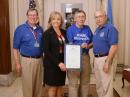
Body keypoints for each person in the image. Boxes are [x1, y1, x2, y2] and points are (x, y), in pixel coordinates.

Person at [13, 8, 44, 97]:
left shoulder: (40, 29)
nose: (33, 17)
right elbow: (15, 48)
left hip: (39, 60)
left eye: (34, 15)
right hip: (27, 61)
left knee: (38, 86)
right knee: (28, 86)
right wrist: (17, 63)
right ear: (27, 16)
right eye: (30, 15)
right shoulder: (20, 29)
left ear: (37, 16)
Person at [67, 10, 93, 97]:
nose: (81, 18)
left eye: (83, 16)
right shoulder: (70, 29)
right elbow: (70, 44)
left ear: (85, 18)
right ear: (75, 19)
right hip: (74, 58)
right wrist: (80, 45)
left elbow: (93, 42)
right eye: (79, 17)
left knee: (85, 82)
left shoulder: (87, 28)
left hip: (85, 57)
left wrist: (88, 46)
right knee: (73, 83)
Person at [93, 10, 118, 97]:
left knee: (106, 85)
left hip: (105, 59)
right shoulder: (97, 29)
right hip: (96, 59)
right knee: (99, 84)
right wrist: (87, 46)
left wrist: (107, 62)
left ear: (106, 17)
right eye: (96, 17)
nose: (98, 19)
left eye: (100, 16)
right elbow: (97, 42)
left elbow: (114, 46)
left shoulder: (110, 28)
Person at [43, 11, 67, 97]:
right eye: (53, 19)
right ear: (50, 21)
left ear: (61, 21)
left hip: (63, 64)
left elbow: (68, 47)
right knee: (53, 87)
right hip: (52, 64)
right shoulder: (47, 33)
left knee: (60, 86)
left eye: (58, 19)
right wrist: (58, 63)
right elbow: (46, 51)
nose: (56, 21)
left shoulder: (64, 32)